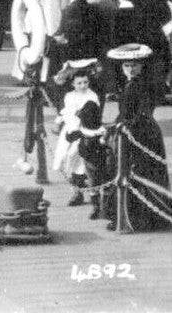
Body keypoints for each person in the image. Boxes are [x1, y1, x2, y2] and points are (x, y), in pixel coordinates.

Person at [102, 43, 172, 231]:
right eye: (126, 66)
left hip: (143, 132)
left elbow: (143, 111)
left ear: (141, 66)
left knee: (140, 171)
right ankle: (128, 216)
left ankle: (143, 219)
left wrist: (127, 125)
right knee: (127, 169)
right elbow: (125, 111)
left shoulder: (144, 85)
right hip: (130, 131)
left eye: (134, 65)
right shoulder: (129, 84)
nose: (130, 69)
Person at [52, 70, 101, 205]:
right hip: (71, 130)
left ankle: (92, 194)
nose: (83, 85)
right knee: (70, 157)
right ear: (73, 84)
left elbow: (93, 114)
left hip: (86, 131)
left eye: (85, 82)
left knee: (83, 160)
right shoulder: (70, 96)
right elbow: (68, 113)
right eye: (79, 83)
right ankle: (77, 192)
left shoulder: (92, 95)